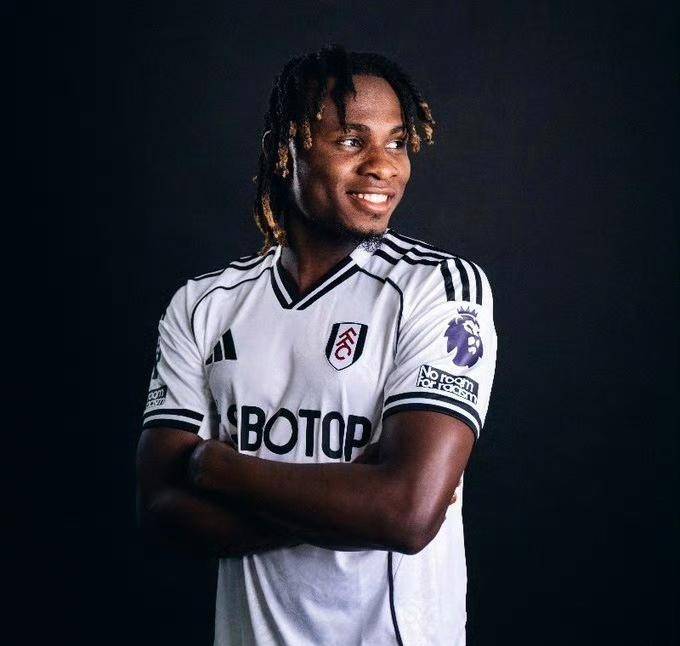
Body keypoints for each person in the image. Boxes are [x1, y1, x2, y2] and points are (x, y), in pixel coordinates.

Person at [136, 43, 498, 646]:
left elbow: (406, 514)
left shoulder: (439, 288)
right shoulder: (203, 304)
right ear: (288, 151)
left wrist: (216, 466)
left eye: (398, 143)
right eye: (352, 141)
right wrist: (349, 498)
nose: (384, 167)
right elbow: (161, 511)